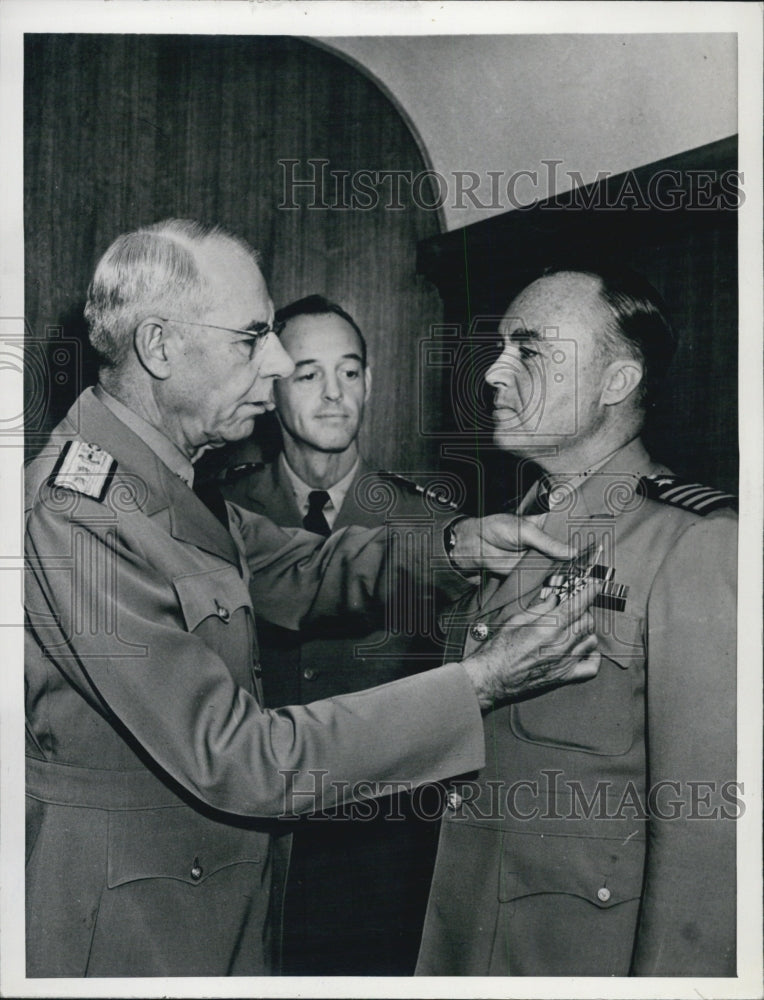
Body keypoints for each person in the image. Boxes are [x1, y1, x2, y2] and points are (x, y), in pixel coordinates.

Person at [24, 220, 602, 978]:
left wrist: (457, 544)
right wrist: (479, 683)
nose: (278, 363)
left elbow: (300, 569)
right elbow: (239, 757)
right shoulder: (79, 512)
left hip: (200, 906)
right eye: (252, 337)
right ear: (159, 347)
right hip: (127, 935)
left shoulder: (160, 477)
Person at [415, 265, 738, 977]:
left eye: (529, 351)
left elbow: (708, 834)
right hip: (471, 940)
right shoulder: (511, 526)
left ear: (617, 382)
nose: (494, 373)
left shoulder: (697, 542)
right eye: (499, 347)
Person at [223, 295, 447, 975]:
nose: (333, 395)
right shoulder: (216, 512)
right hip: (249, 838)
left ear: (371, 384)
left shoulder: (432, 528)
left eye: (349, 373)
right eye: (308, 373)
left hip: (378, 857)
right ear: (272, 386)